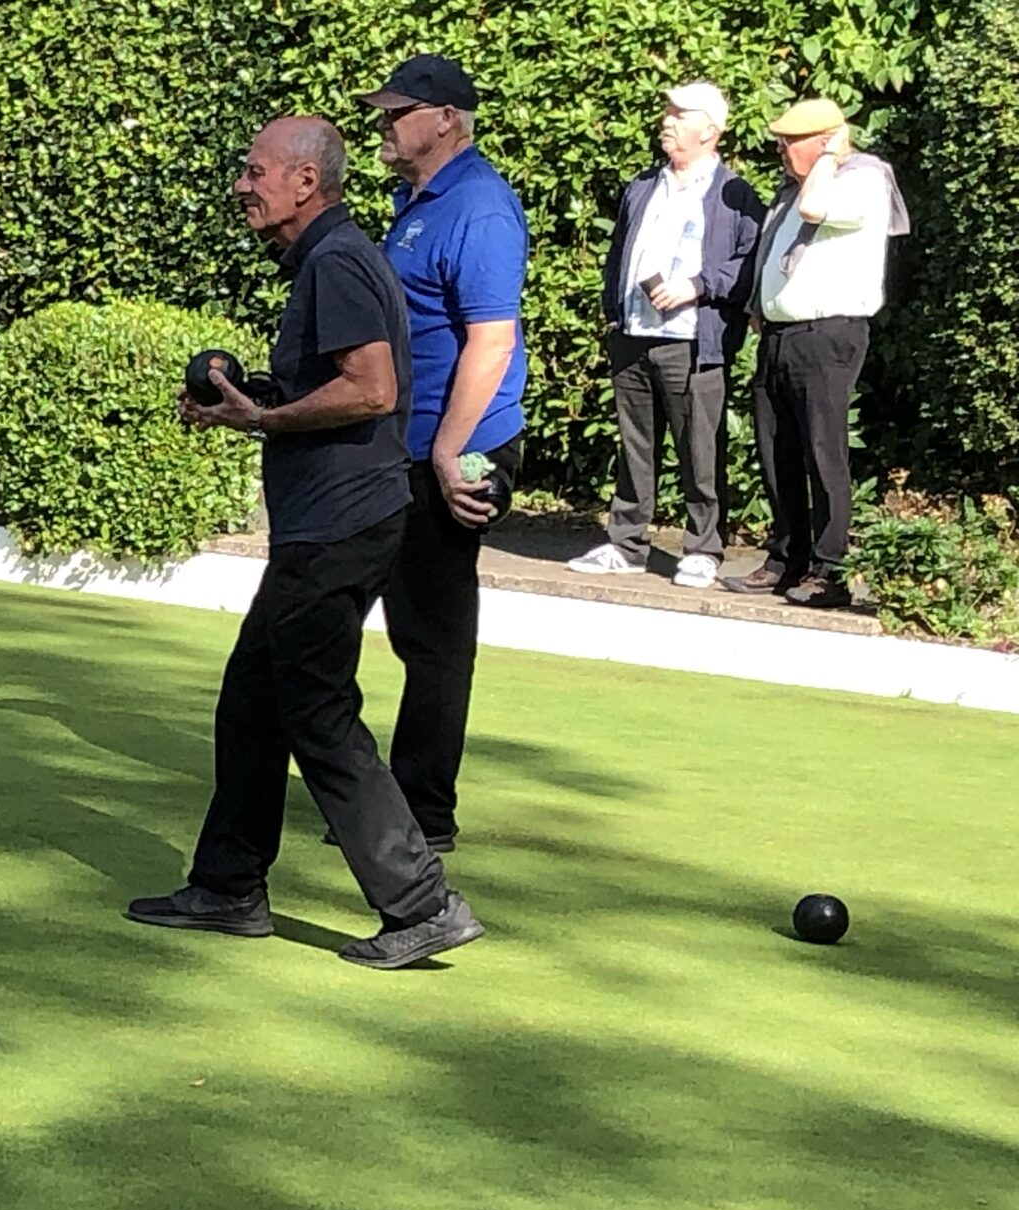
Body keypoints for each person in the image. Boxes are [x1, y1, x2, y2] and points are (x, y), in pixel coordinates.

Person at [129, 117, 482, 968]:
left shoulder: (336, 262)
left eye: (256, 172)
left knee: (317, 713)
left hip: (340, 523)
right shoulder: (335, 258)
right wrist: (256, 396)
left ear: (305, 182)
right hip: (333, 519)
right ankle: (228, 885)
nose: (241, 185)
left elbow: (372, 389)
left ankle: (422, 903)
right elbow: (340, 382)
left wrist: (263, 418)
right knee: (253, 701)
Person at [363, 54, 528, 852]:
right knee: (407, 623)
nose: (384, 125)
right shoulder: (418, 200)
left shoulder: (480, 209)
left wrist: (449, 451)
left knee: (434, 632)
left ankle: (424, 813)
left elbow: (491, 342)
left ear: (445, 120)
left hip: (464, 444)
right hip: (412, 441)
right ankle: (391, 797)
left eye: (398, 113)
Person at [569, 82, 766, 589]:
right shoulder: (642, 186)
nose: (668, 121)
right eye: (668, 113)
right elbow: (619, 252)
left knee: (700, 448)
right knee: (635, 446)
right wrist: (613, 314)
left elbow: (749, 263)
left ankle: (703, 549)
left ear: (711, 130)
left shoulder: (734, 195)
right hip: (632, 335)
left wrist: (698, 286)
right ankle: (626, 544)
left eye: (681, 115)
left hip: (692, 342)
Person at [723, 97, 909, 609]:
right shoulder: (795, 189)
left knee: (823, 452)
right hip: (781, 335)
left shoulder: (861, 179)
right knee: (776, 450)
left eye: (792, 141)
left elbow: (815, 211)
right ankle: (787, 558)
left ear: (828, 140)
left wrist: (829, 156)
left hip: (828, 335)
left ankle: (830, 570)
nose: (782, 150)